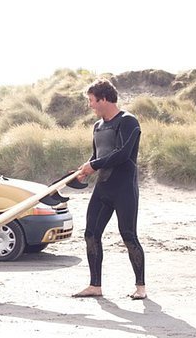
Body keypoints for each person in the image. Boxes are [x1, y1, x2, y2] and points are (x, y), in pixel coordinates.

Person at [73, 78, 147, 300]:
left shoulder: (128, 121)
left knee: (128, 235)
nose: (90, 105)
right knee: (91, 234)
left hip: (124, 189)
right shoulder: (98, 126)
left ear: (104, 99)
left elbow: (122, 154)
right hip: (103, 188)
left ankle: (141, 287)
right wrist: (86, 168)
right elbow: (98, 156)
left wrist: (93, 165)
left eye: (92, 100)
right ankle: (95, 285)